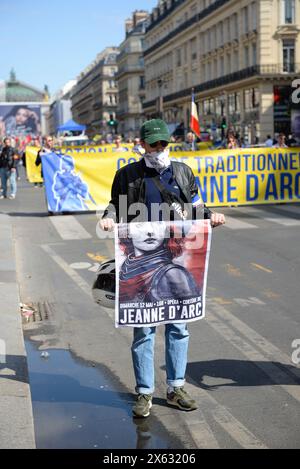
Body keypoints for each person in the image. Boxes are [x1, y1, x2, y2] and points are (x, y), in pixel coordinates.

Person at [100, 118, 225, 418]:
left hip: (173, 260)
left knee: (178, 327)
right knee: (144, 330)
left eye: (163, 143)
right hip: (140, 263)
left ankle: (176, 386)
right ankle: (144, 392)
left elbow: (196, 206)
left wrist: (212, 216)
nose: (159, 149)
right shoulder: (127, 175)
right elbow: (115, 206)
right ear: (141, 144)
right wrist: (107, 217)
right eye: (153, 144)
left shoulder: (183, 172)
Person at [119, 222, 199, 303]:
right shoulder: (124, 270)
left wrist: (209, 215)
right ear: (127, 231)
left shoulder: (172, 273)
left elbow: (189, 307)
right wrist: (108, 218)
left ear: (166, 229)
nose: (150, 231)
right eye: (139, 224)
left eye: (158, 223)